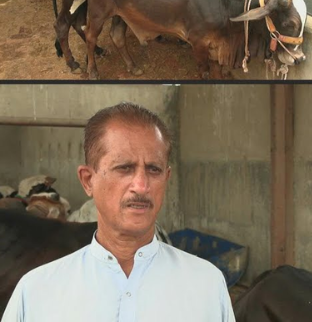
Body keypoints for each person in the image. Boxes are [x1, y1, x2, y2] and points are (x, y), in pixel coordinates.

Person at [2, 103, 235, 321]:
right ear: (88, 180)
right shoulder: (36, 291)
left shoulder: (207, 285)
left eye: (154, 169)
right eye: (124, 168)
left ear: (167, 178)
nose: (142, 186)